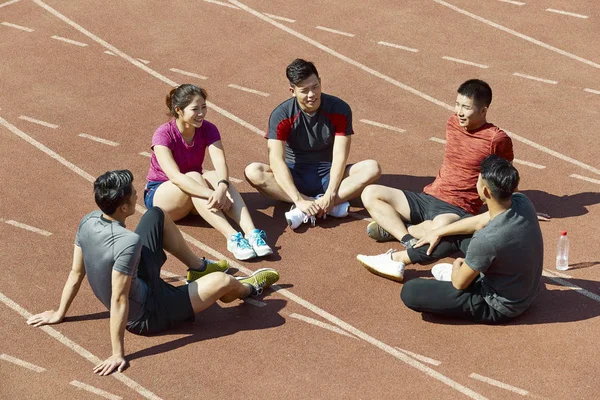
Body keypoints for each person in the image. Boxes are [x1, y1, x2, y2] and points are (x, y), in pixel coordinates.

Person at [27, 170, 280, 375]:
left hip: (141, 283)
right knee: (223, 281)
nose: (138, 193)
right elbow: (118, 298)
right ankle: (248, 288)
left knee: (157, 214)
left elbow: (75, 272)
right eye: (133, 193)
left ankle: (199, 268)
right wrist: (118, 353)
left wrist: (60, 313)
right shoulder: (127, 242)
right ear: (124, 208)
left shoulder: (89, 219)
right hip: (150, 313)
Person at [357, 79, 513, 281]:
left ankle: (400, 227)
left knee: (440, 229)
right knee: (370, 193)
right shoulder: (452, 123)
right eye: (457, 104)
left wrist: (513, 204)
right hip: (427, 197)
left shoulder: (496, 139)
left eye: (466, 107)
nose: (459, 112)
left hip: (456, 209)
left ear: (483, 110)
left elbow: (503, 174)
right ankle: (407, 238)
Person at [398, 155, 543, 324]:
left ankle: (466, 273)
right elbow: (480, 220)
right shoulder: (522, 202)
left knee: (411, 291)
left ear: (485, 191)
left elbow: (459, 283)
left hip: (498, 307)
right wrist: (439, 231)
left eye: (478, 180)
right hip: (526, 291)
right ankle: (407, 256)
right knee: (458, 228)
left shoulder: (486, 239)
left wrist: (458, 265)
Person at [244, 58, 381, 230]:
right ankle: (312, 205)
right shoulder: (281, 115)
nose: (312, 95)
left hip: (329, 174)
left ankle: (314, 208)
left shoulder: (339, 109)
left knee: (372, 168)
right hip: (295, 175)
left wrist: (331, 193)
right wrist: (299, 199)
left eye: (315, 87)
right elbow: (276, 160)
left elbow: (340, 155)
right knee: (253, 172)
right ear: (292, 91)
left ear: (320, 82)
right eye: (304, 90)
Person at [145, 84, 272, 260]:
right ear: (178, 110)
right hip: (163, 195)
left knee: (214, 175)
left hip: (197, 193)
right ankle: (232, 238)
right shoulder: (163, 134)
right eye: (195, 109)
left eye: (204, 107)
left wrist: (221, 187)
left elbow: (220, 162)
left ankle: (252, 234)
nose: (201, 113)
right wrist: (212, 193)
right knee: (194, 176)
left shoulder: (208, 128)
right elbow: (175, 177)